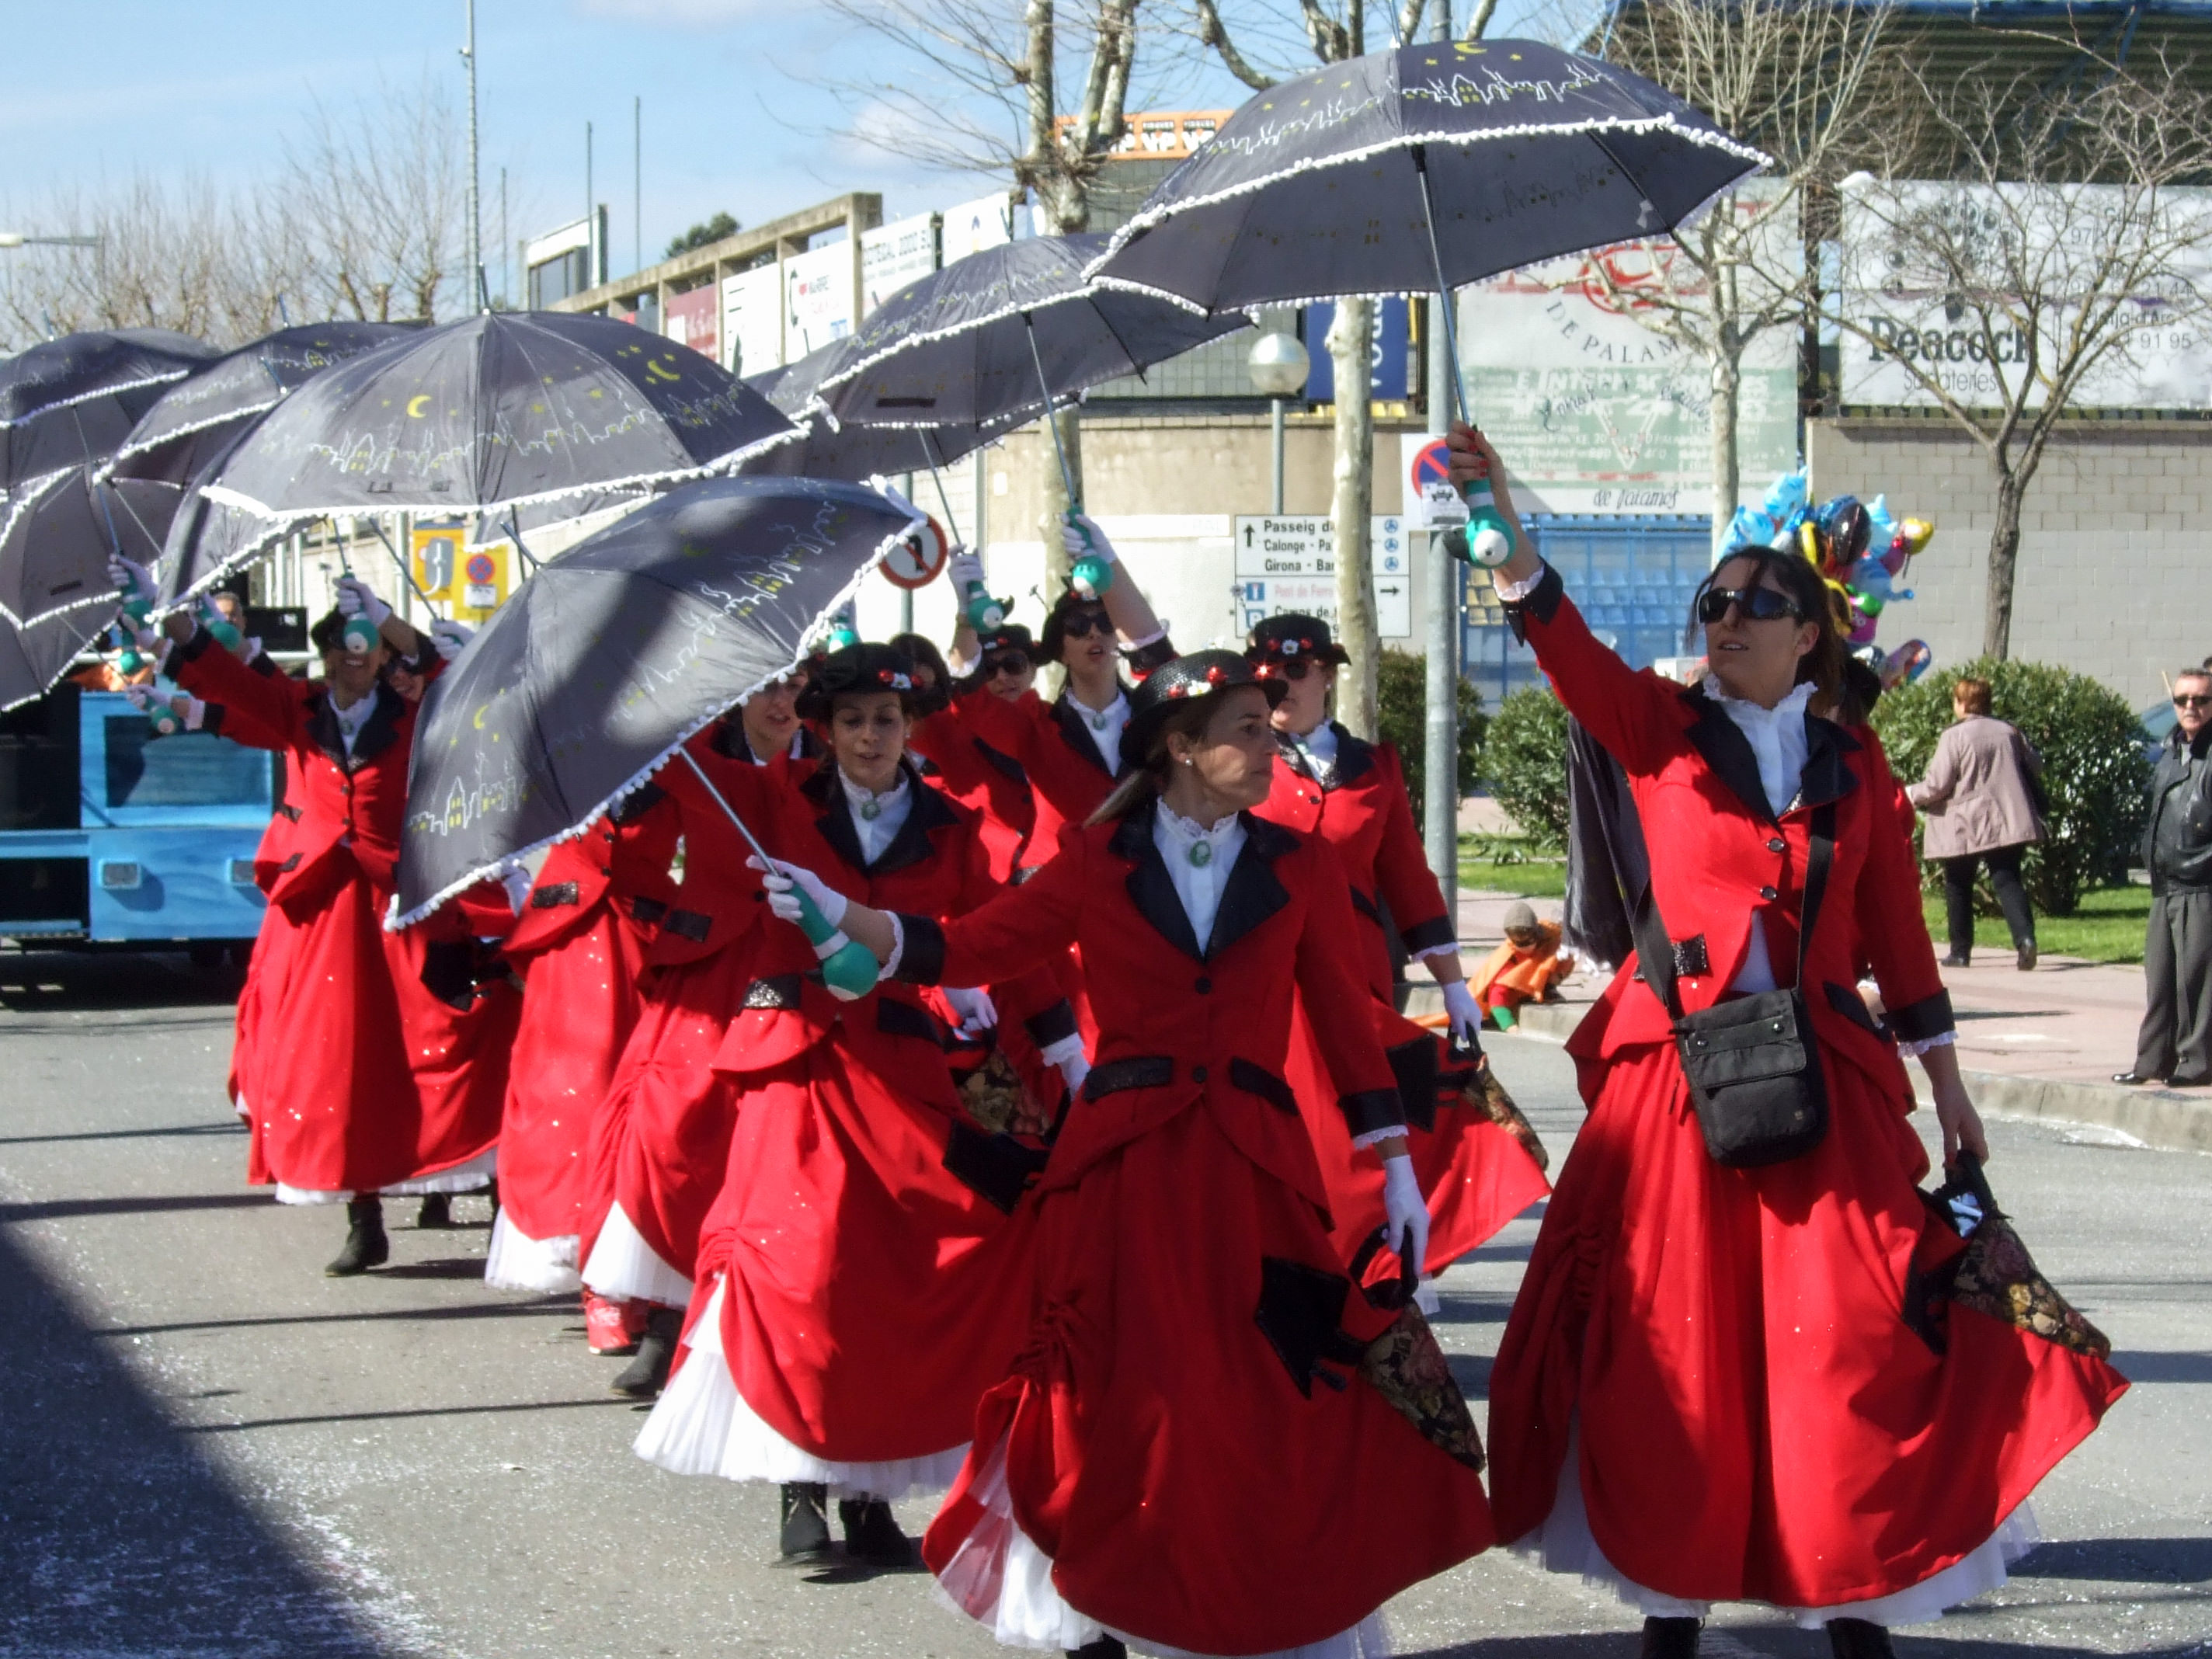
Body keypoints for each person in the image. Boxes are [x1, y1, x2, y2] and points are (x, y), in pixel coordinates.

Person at [1445, 423, 2127, 1658]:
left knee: (1858, 1341)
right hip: (1676, 1090)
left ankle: (1856, 1594)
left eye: (1756, 605)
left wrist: (1950, 1087)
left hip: (1827, 1088)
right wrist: (1503, 530)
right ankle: (1672, 1608)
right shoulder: (1657, 727)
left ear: (1810, 632)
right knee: (1672, 1349)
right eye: (1714, 604)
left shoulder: (1853, 760)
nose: (1726, 620)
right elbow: (1564, 644)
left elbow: (1900, 944)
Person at [773, 650, 1494, 1659]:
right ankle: (1097, 1605)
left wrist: (1397, 1165)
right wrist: (841, 912)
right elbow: (972, 946)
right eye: (1248, 728)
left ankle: (1251, 1595)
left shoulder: (1298, 863)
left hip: (1253, 1174)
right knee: (1116, 1394)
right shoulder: (1094, 858)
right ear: (1183, 747)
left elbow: (1343, 1018)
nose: (1270, 744)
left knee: (1262, 1391)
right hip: (1123, 1173)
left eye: (1270, 726)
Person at [634, 642, 1081, 1571]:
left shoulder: (952, 829)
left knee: (891, 1278)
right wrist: (673, 677)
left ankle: (871, 1500)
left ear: (910, 727)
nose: (870, 736)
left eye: (886, 720)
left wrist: (1065, 1051)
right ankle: (798, 1484)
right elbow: (676, 763)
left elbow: (1005, 943)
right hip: (791, 1063)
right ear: (824, 729)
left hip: (900, 1074)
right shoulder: (768, 801)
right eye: (851, 721)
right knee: (798, 1267)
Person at [141, 565, 507, 1275]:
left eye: (366, 644)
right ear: (327, 656)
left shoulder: (415, 712)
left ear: (381, 655)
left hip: (401, 897)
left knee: (444, 1043)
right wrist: (172, 617)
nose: (353, 656)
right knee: (336, 1059)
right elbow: (227, 681)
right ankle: (364, 1219)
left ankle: (492, 1195)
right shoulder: (299, 708)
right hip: (324, 907)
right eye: (341, 645)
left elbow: (449, 677)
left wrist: (388, 615)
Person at [1246, 612, 1549, 1294]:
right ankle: (1311, 1261)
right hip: (1271, 976)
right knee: (1302, 1123)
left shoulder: (1374, 767)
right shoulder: (1247, 758)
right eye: (1264, 674)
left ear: (1327, 675)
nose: (1278, 686)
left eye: (1293, 671)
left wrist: (1455, 985)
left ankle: (1394, 1252)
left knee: (1379, 1119)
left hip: (1361, 976)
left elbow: (1409, 879)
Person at [579, 672, 819, 1394]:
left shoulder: (834, 758)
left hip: (798, 966)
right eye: (767, 688)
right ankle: (663, 1317)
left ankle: (752, 1330)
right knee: (671, 1130)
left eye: (796, 686)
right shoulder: (698, 756)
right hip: (707, 965)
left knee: (777, 1142)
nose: (782, 702)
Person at [1906, 677, 2045, 971]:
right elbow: (2036, 765)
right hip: (2008, 816)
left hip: (1963, 821)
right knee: (2008, 880)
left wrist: (1908, 794)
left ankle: (1960, 951)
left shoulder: (1954, 736)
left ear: (1962, 703)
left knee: (1958, 884)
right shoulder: (2010, 731)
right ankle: (2025, 940)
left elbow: (1938, 784)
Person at [2115, 668, 2212, 1088]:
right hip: (2165, 883)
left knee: (2197, 982)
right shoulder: (2172, 750)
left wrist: (2198, 862)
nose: (2191, 707)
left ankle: (2197, 1062)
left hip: (2200, 883)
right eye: (2183, 699)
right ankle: (2153, 1060)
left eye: (2201, 700)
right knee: (2160, 978)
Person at [1469, 901, 1575, 1031]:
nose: (1525, 948)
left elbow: (1561, 933)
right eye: (1519, 944)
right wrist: (1509, 1025)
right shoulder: (1508, 962)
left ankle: (1548, 989)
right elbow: (1497, 999)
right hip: (1502, 1004)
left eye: (1528, 941)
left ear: (1536, 934)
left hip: (1531, 984)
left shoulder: (1549, 934)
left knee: (1567, 948)